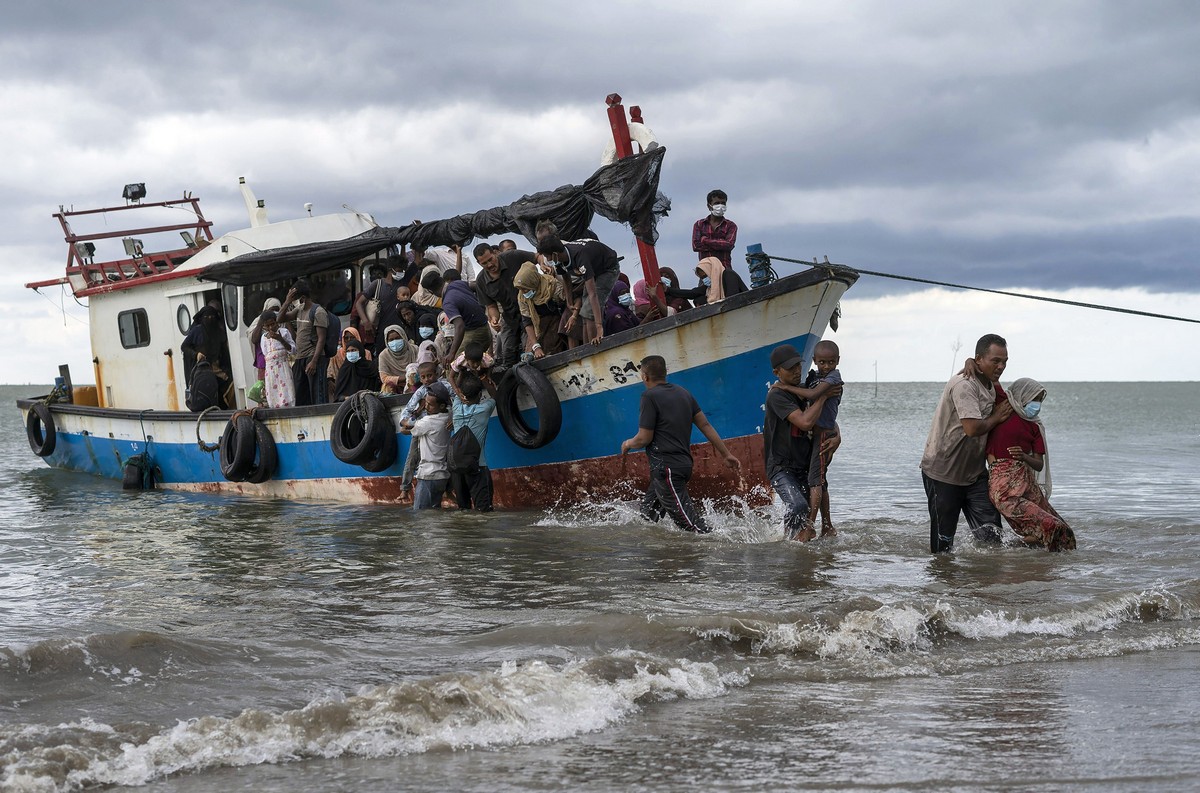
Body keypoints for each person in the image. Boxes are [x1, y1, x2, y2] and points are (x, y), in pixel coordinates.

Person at [620, 355, 740, 534]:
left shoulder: (648, 396)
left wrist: (628, 443)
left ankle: (731, 545)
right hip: (682, 466)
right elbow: (705, 425)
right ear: (665, 373)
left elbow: (644, 438)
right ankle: (662, 558)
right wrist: (726, 454)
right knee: (647, 517)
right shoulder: (684, 393)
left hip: (666, 469)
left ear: (645, 377)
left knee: (693, 527)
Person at [920, 333, 1014, 553]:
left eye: (1005, 362)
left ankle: (984, 583)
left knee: (992, 538)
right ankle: (944, 583)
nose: (1001, 367)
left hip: (974, 475)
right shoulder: (964, 385)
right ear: (979, 359)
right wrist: (997, 417)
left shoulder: (991, 383)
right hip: (943, 473)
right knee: (943, 545)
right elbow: (972, 428)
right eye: (996, 361)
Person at [987, 377, 1077, 551]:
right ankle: (1009, 549)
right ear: (1022, 395)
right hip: (1004, 488)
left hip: (1026, 482)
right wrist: (969, 362)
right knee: (1051, 526)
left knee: (1065, 532)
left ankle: (1039, 563)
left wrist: (1023, 456)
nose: (1037, 405)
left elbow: (1038, 464)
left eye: (1040, 400)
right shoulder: (1005, 407)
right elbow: (992, 378)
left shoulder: (1035, 428)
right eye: (1034, 399)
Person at [763, 344, 842, 541]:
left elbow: (826, 420)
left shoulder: (804, 389)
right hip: (781, 467)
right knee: (798, 506)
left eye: (799, 366)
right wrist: (823, 396)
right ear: (777, 372)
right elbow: (806, 422)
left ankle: (797, 544)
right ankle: (788, 543)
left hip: (803, 465)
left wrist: (837, 436)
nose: (797, 371)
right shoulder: (777, 395)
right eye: (791, 369)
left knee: (819, 488)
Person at [537, 235, 621, 345]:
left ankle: (595, 344)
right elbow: (566, 278)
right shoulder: (559, 259)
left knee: (589, 311)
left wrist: (599, 327)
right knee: (584, 313)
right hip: (594, 268)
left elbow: (593, 294)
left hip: (608, 269)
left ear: (555, 254)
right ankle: (586, 347)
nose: (547, 260)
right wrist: (569, 300)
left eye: (547, 256)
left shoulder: (580, 256)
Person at [472, 243, 539, 370]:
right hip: (509, 316)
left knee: (529, 351)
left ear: (495, 253)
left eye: (490, 259)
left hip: (530, 310)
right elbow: (491, 306)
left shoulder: (512, 257)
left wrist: (546, 266)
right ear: (478, 263)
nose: (490, 265)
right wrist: (493, 319)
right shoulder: (481, 281)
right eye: (484, 263)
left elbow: (537, 257)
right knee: (507, 353)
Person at [804, 340, 844, 537]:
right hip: (815, 435)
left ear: (837, 361)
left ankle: (809, 526)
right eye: (822, 362)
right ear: (814, 361)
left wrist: (783, 388)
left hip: (823, 436)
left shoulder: (834, 378)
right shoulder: (814, 376)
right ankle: (827, 526)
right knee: (821, 480)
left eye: (830, 362)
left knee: (815, 481)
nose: (826, 366)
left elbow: (811, 394)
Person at [398, 362, 451, 499]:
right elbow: (407, 410)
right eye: (423, 377)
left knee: (446, 458)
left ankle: (448, 490)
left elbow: (456, 401)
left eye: (430, 375)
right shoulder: (420, 391)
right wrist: (407, 422)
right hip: (421, 429)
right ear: (420, 379)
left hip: (439, 428)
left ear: (436, 374)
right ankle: (405, 488)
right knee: (412, 458)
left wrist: (453, 418)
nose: (427, 379)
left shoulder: (445, 386)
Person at [448, 371, 497, 512]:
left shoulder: (456, 407)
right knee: (484, 512)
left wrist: (460, 371)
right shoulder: (483, 409)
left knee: (464, 510)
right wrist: (484, 376)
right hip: (477, 467)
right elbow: (495, 396)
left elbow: (457, 388)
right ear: (480, 395)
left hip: (457, 471)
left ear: (461, 393)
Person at [279, 278, 329, 406]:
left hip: (313, 358)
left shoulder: (318, 311)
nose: (293, 302)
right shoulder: (299, 310)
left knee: (318, 396)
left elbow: (321, 338)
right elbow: (280, 318)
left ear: (302, 298)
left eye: (294, 299)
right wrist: (286, 301)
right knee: (301, 397)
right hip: (301, 357)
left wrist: (314, 361)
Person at [407, 381, 453, 510]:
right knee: (434, 512)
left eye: (430, 405)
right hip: (442, 476)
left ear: (442, 405)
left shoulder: (427, 422)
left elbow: (404, 427)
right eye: (425, 403)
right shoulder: (448, 417)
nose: (426, 406)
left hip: (428, 475)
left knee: (421, 516)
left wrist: (416, 412)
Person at [513, 261, 566, 358]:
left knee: (550, 349)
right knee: (530, 353)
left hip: (556, 321)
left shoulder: (551, 285)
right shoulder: (522, 297)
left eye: (525, 288)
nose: (523, 291)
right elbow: (527, 321)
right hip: (536, 324)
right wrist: (536, 346)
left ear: (533, 281)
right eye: (521, 289)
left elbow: (566, 302)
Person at [440, 273, 492, 367]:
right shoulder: (457, 284)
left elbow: (460, 326)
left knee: (454, 363)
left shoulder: (448, 302)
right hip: (484, 328)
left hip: (475, 331)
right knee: (471, 365)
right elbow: (477, 285)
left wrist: (452, 353)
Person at [257, 309, 296, 408]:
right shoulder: (263, 338)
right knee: (273, 394)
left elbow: (293, 350)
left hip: (283, 369)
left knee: (287, 392)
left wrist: (280, 339)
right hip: (271, 372)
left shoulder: (284, 332)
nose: (270, 328)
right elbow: (266, 353)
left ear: (276, 322)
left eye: (273, 324)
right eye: (267, 326)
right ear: (264, 326)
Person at [691, 189, 737, 269]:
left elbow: (729, 245)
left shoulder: (731, 225)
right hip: (705, 271)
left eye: (723, 203)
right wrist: (720, 244)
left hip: (725, 269)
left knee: (732, 281)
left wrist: (705, 240)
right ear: (709, 206)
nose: (720, 206)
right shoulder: (699, 224)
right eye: (717, 203)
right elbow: (696, 246)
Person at [376, 325, 417, 394]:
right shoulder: (384, 355)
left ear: (403, 337)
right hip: (395, 387)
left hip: (415, 382)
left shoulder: (414, 350)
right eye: (391, 340)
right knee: (387, 386)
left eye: (397, 338)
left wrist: (411, 379)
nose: (395, 342)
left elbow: (422, 369)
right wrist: (405, 377)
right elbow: (384, 378)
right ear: (386, 341)